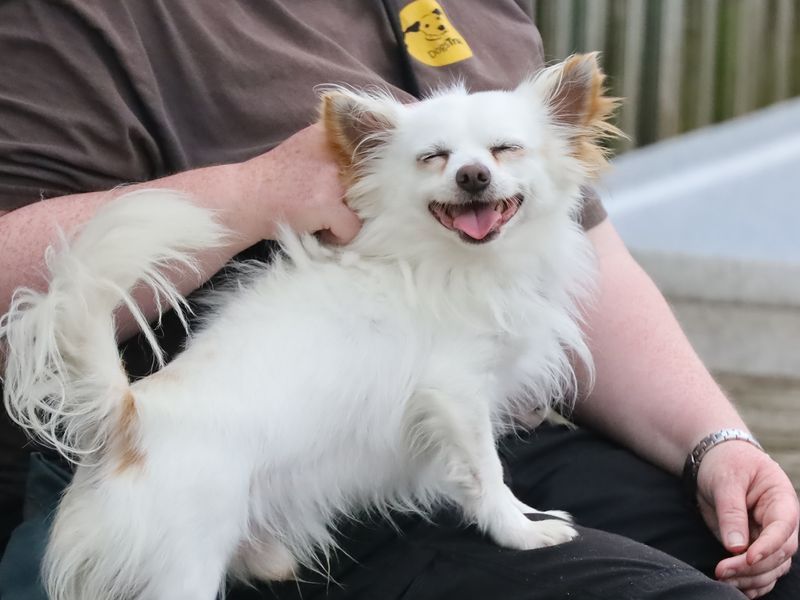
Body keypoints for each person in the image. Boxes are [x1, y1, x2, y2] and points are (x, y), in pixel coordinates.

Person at [0, 1, 797, 598]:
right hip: (257, 465)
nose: (475, 169)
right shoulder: (86, 18)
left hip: (470, 447)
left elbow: (586, 253)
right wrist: (250, 192)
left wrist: (714, 441)